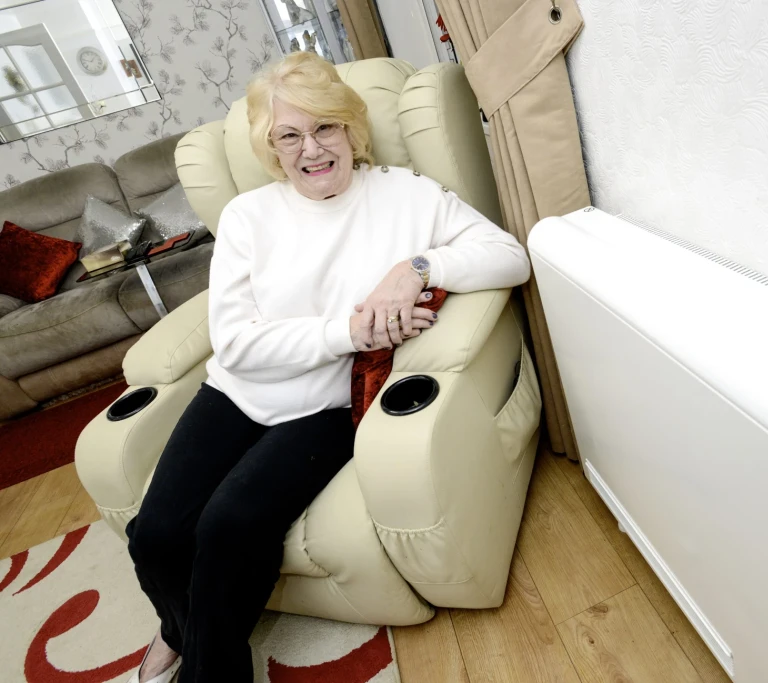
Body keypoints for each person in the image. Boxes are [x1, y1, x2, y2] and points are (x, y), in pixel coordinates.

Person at [124, 51, 531, 683]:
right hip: (237, 393)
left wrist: (418, 268)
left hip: (326, 408)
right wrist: (350, 329)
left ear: (351, 128)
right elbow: (235, 345)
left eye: (325, 128)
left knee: (229, 525)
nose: (311, 149)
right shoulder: (247, 217)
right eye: (290, 135)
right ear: (271, 148)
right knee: (154, 535)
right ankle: (179, 627)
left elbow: (508, 256)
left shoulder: (405, 195)